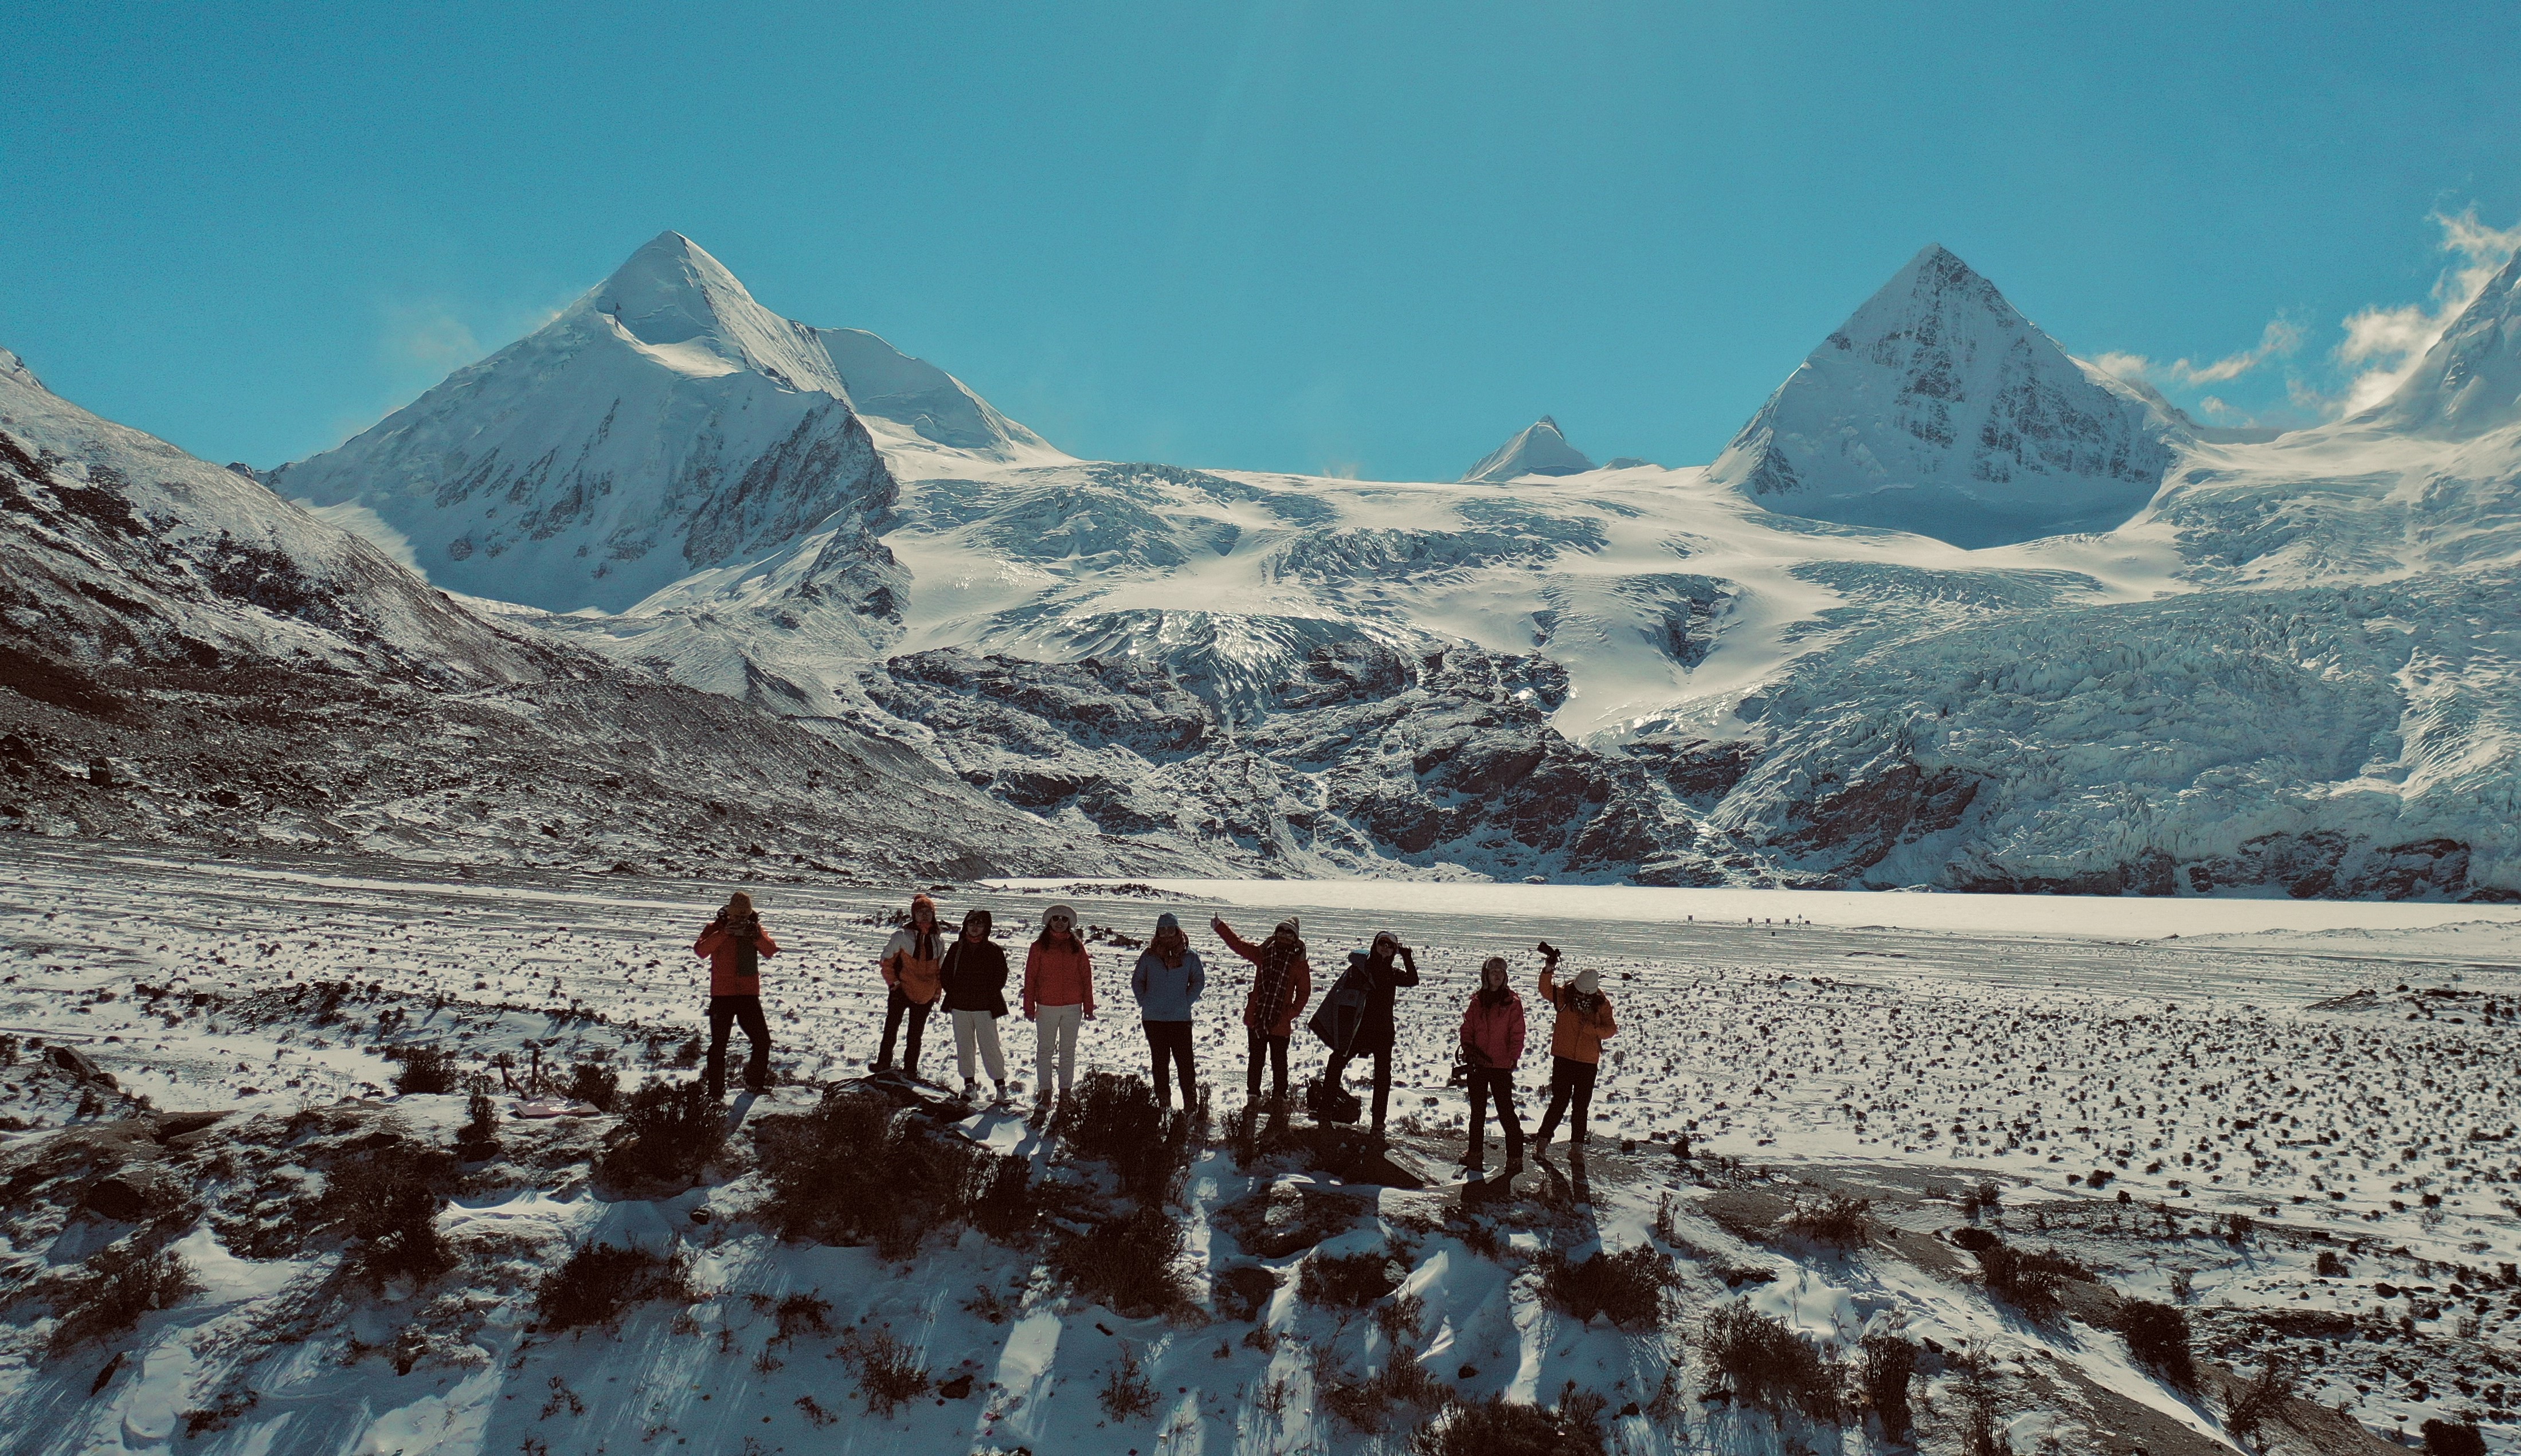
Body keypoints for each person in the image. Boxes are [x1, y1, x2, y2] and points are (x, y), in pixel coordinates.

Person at [1319, 931, 1419, 1140]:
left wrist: (1407, 956)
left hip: (1382, 1032)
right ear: (1375, 945)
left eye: (1391, 946)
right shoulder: (1361, 969)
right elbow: (1340, 996)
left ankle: (1378, 1124)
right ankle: (1325, 1113)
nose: (1385, 948)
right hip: (1357, 1030)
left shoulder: (1391, 973)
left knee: (1383, 1076)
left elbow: (1413, 980)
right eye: (1382, 943)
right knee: (1336, 1062)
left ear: (1394, 951)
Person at [1530, 941, 1618, 1158]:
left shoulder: (1601, 1003)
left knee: (1581, 1106)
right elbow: (1545, 989)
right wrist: (1548, 968)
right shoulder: (1565, 995)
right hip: (1564, 1057)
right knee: (1559, 1102)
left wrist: (1592, 1030)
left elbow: (1611, 1029)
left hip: (1587, 1062)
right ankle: (1542, 1144)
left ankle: (1576, 1148)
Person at [1213, 914, 1311, 1106]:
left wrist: (1289, 1013)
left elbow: (1304, 993)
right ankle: (1253, 1097)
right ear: (1275, 934)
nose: (1284, 936)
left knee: (1280, 1062)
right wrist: (1220, 927)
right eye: (1280, 931)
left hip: (1280, 1022)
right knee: (1256, 1060)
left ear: (1295, 938)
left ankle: (1280, 1098)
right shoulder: (1263, 954)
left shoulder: (1298, 964)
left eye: (1289, 933)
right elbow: (1238, 945)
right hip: (1258, 1016)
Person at [693, 891, 780, 1098]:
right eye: (737, 916)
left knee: (762, 1041)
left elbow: (771, 950)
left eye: (744, 916)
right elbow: (701, 951)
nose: (741, 920)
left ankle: (754, 1085)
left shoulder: (755, 929)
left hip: (748, 995)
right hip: (722, 996)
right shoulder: (715, 928)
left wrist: (755, 936)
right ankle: (715, 1092)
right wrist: (724, 934)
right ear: (729, 913)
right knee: (719, 1045)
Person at [1129, 912, 1206, 1110]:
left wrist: (1185, 1001)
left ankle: (1191, 1104)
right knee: (1160, 1062)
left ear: (1178, 930)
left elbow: (1198, 980)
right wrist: (1145, 1001)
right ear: (1157, 933)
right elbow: (1137, 980)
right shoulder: (1149, 956)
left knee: (1185, 1062)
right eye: (1162, 930)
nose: (1166, 934)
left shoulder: (1189, 956)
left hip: (1180, 1018)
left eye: (1170, 929)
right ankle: (1163, 1104)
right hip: (1154, 1019)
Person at [1458, 954, 1527, 1175]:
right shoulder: (1477, 1001)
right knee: (1477, 1113)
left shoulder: (1512, 1003)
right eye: (1493, 971)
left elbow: (1518, 1034)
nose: (1497, 975)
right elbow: (1467, 1029)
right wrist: (1468, 1050)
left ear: (1505, 976)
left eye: (1501, 971)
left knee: (1506, 1111)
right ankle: (1474, 1155)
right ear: (1486, 975)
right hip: (1478, 1065)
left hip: (1501, 1067)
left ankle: (1515, 1158)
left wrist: (1512, 1059)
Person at [1021, 904, 1094, 1104]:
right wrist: (1029, 1007)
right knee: (1045, 1050)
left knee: (1067, 1050)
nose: (1060, 923)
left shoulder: (1077, 947)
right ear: (1049, 922)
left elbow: (1086, 978)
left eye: (1064, 919)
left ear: (1069, 923)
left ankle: (1065, 1093)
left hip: (1072, 1007)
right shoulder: (1038, 947)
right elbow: (1031, 978)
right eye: (1056, 919)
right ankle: (1045, 1092)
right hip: (1046, 1006)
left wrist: (1088, 1007)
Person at [939, 907, 1011, 1102]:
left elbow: (1001, 977)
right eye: (971, 923)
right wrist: (955, 992)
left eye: (979, 924)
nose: (975, 927)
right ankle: (969, 1085)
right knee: (964, 1046)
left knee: (990, 1046)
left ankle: (1000, 1086)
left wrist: (987, 994)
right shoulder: (957, 948)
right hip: (960, 1006)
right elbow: (945, 974)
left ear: (986, 928)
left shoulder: (994, 950)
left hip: (985, 1007)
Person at [876, 893, 947, 1079]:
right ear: (913, 915)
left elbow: (940, 972)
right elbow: (886, 962)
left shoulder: (939, 942)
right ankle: (884, 1063)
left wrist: (935, 994)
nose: (924, 915)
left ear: (933, 915)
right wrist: (895, 985)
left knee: (915, 1035)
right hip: (901, 991)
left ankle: (910, 1070)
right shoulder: (902, 936)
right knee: (891, 1028)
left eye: (928, 912)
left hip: (925, 995)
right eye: (920, 912)